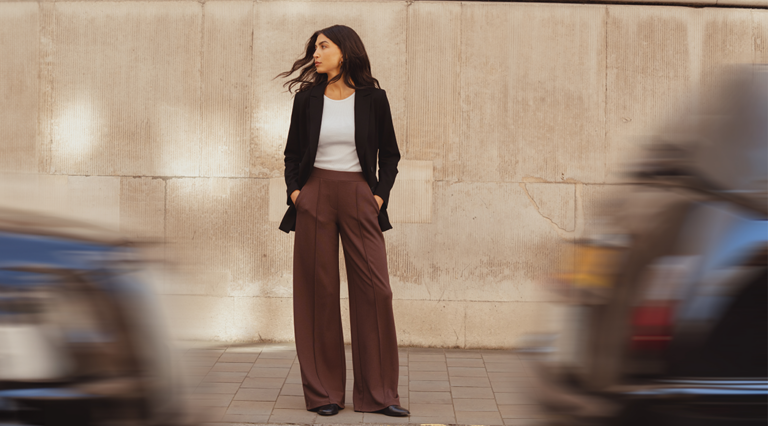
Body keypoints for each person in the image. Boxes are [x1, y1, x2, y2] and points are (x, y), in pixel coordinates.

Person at [276, 25, 408, 418]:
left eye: (323, 46)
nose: (315, 54)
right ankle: (324, 393)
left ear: (344, 52)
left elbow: (390, 154)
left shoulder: (373, 99)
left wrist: (378, 196)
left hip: (359, 195)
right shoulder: (307, 99)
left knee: (376, 291)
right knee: (318, 292)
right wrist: (297, 194)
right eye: (314, 48)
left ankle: (379, 394)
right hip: (315, 194)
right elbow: (292, 154)